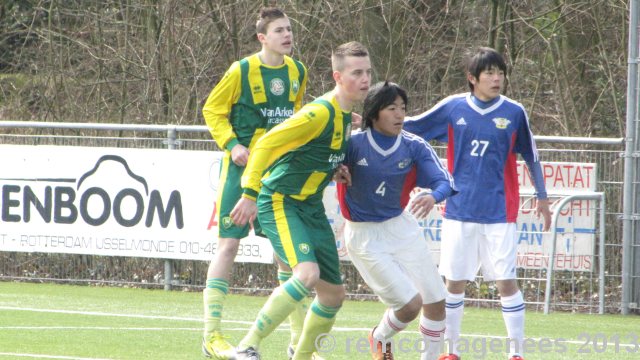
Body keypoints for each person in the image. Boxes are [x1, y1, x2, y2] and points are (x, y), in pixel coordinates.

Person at [404, 47, 552, 360]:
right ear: (473, 79)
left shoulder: (514, 112)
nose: (497, 79)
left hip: (500, 211)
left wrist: (542, 196)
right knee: (454, 283)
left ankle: (516, 354)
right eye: (490, 74)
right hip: (458, 209)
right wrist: (375, 119)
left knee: (506, 282)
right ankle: (451, 352)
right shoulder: (453, 108)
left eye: (500, 73)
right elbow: (414, 127)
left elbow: (532, 156)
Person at [230, 41, 372, 360]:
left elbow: (316, 154)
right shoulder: (318, 113)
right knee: (306, 274)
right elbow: (266, 145)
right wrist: (249, 194)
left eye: (368, 72)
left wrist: (333, 170)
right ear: (337, 76)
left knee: (334, 295)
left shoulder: (348, 116)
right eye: (357, 73)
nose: (365, 79)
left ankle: (302, 355)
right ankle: (247, 346)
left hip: (309, 206)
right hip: (280, 200)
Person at [201, 7, 308, 359]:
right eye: (279, 30)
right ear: (263, 38)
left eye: (289, 29)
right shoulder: (242, 70)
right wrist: (232, 145)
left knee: (285, 256)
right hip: (241, 173)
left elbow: (298, 118)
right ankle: (211, 336)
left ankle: (298, 344)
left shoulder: (297, 71)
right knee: (228, 247)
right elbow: (212, 110)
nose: (287, 35)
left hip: (278, 174)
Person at [336, 81, 456, 360]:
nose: (400, 114)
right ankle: (379, 337)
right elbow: (323, 166)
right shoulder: (353, 144)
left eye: (403, 108)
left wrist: (433, 196)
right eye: (392, 108)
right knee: (410, 305)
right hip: (364, 235)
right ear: (375, 112)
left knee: (437, 300)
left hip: (401, 227)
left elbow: (445, 181)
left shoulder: (413, 146)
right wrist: (334, 170)